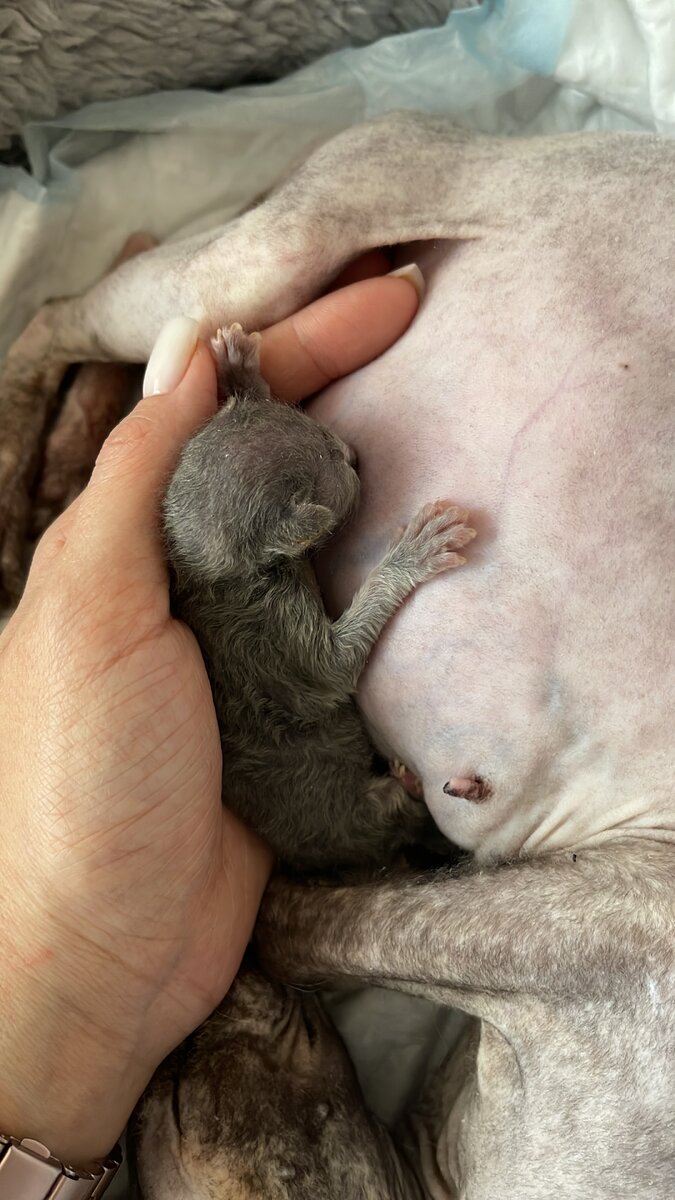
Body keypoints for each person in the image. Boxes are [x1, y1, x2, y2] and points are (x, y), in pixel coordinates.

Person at [0, 258, 421, 1167]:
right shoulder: (266, 621)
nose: (351, 457)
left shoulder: (215, 544)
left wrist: (246, 389)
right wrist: (400, 569)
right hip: (332, 800)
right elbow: (333, 667)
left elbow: (244, 454)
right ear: (288, 539)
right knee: (370, 811)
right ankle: (393, 807)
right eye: (330, 483)